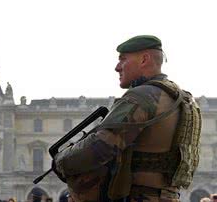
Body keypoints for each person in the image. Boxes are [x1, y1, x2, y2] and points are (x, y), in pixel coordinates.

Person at [53, 35, 202, 202]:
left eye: (123, 60)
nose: (117, 67)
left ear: (144, 59)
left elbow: (101, 147)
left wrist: (60, 161)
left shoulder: (142, 96)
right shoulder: (185, 100)